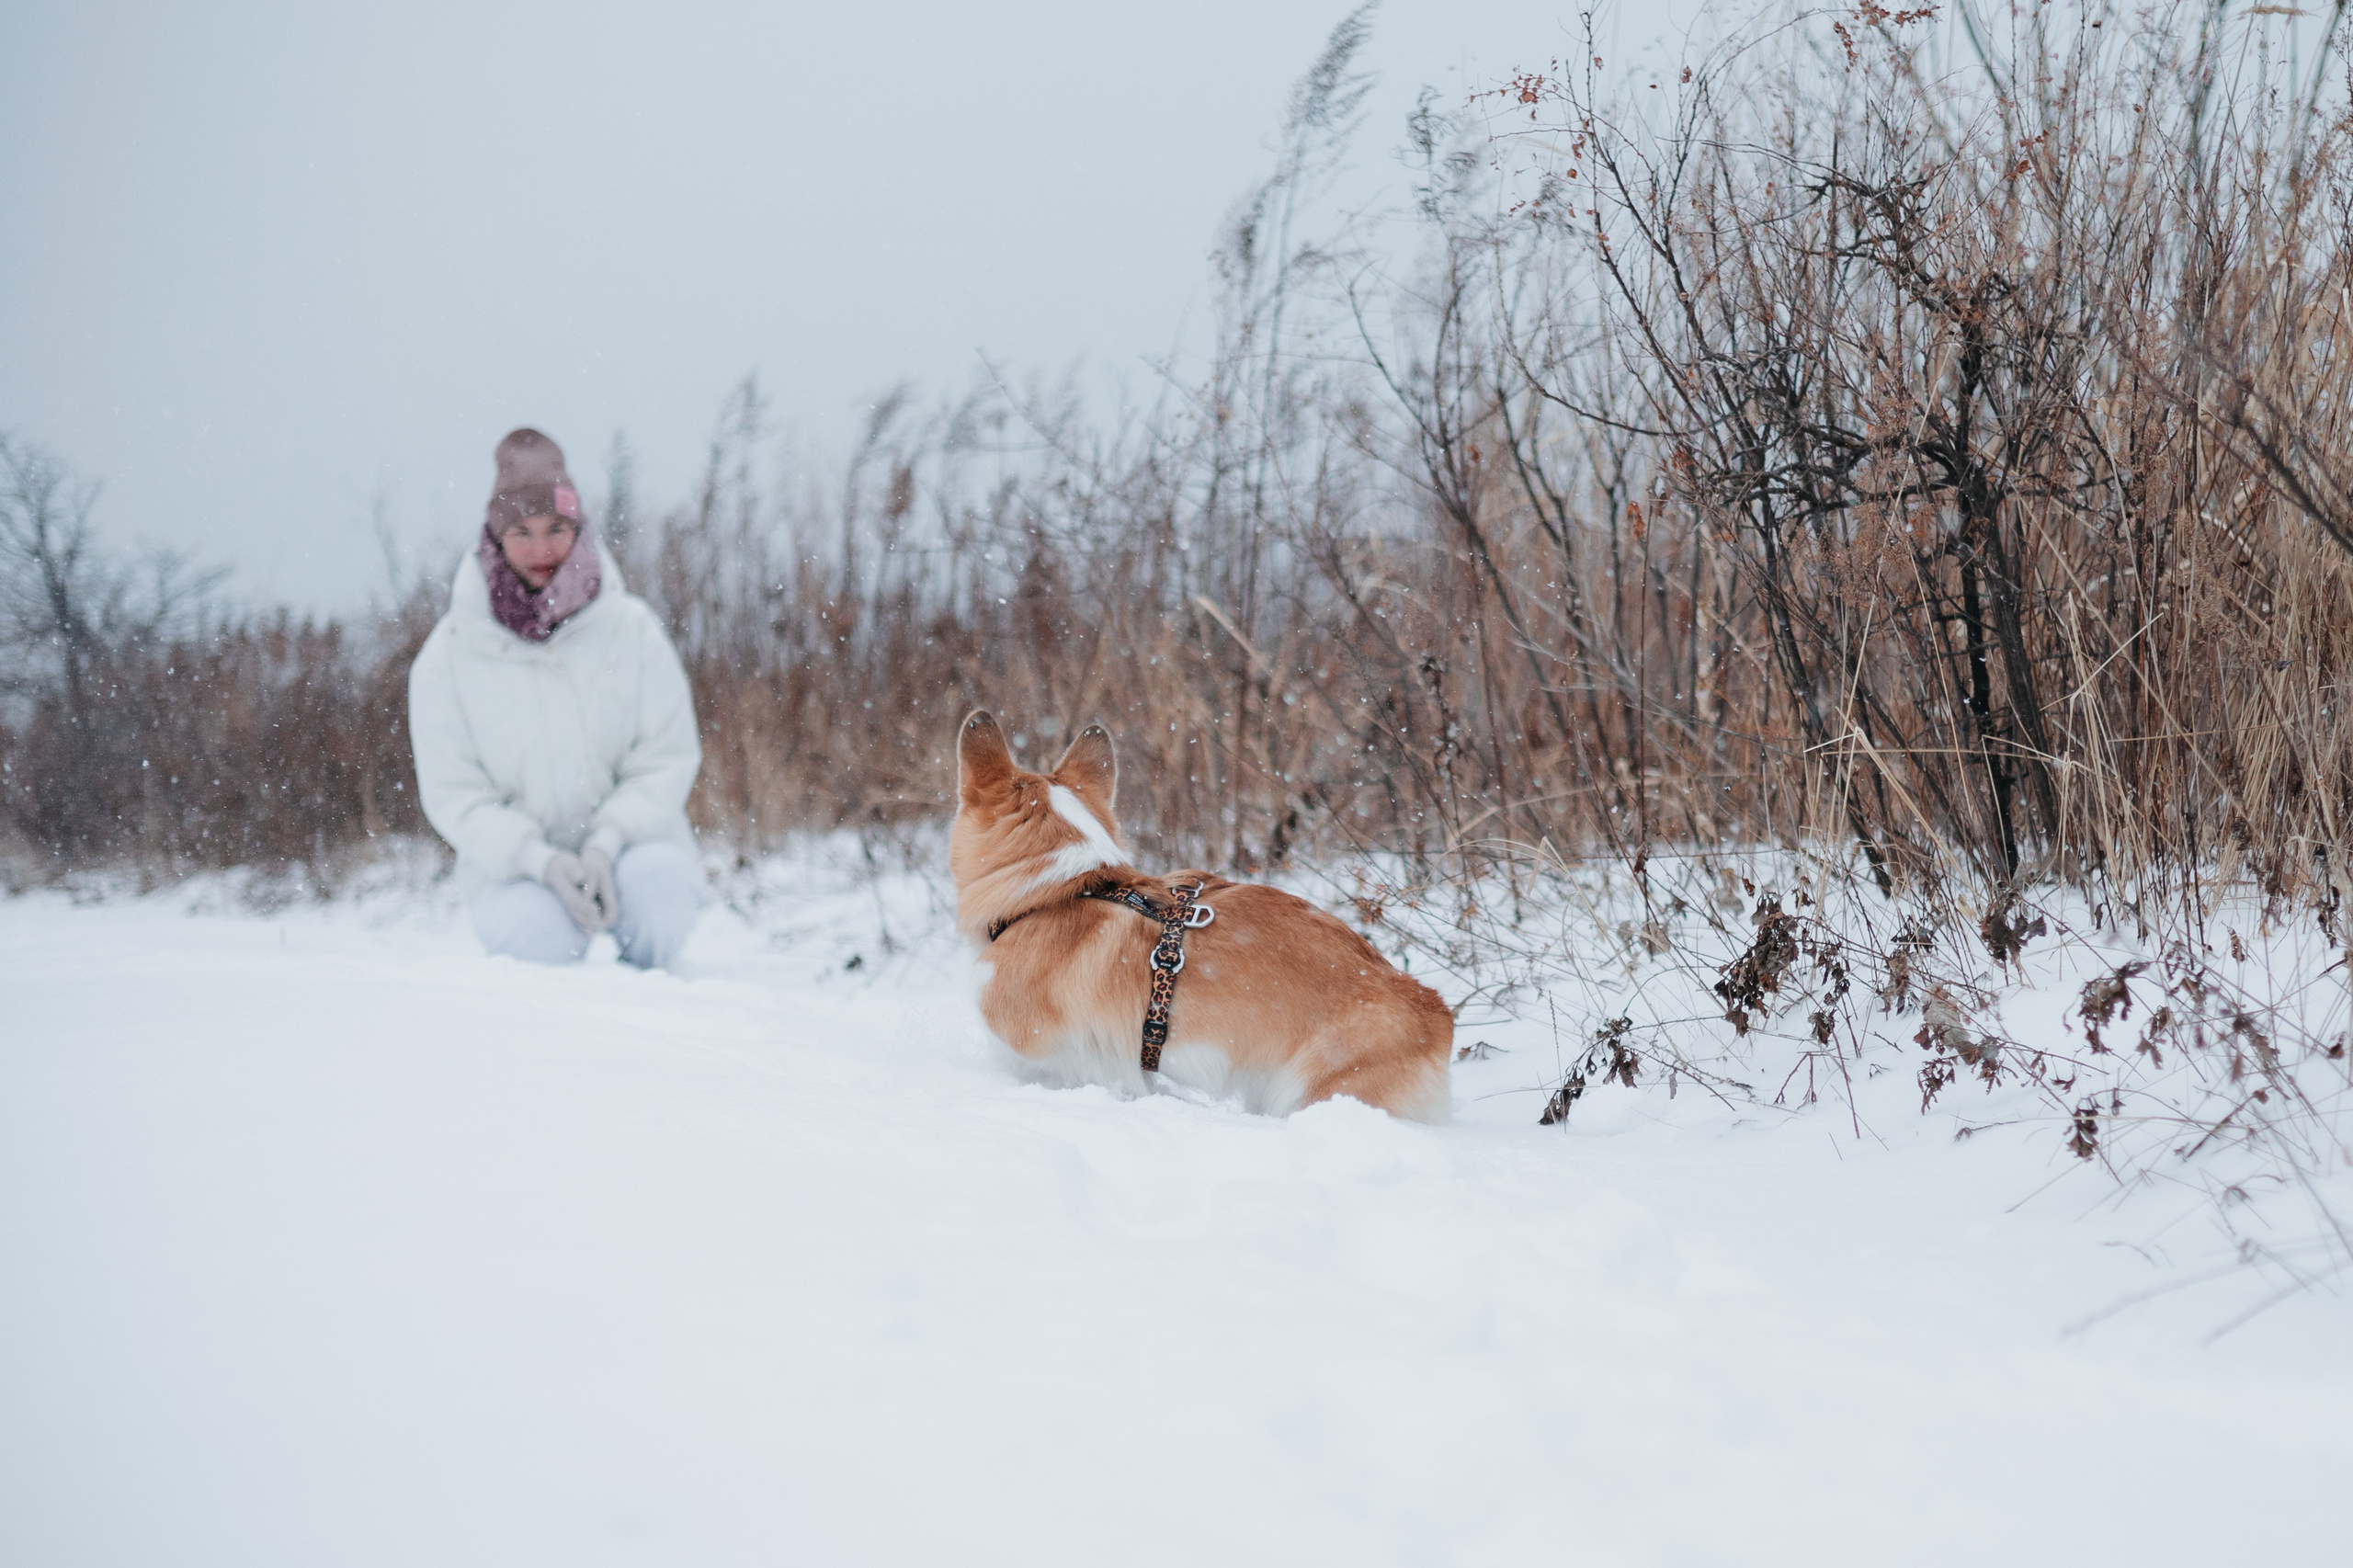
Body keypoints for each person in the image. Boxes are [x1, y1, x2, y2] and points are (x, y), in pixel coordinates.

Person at [408, 427, 704, 967]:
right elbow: (456, 795)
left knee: (661, 893)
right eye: (521, 531)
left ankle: (664, 1015)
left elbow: (666, 756)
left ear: (579, 527)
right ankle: (556, 1045)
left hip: (632, 847)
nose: (541, 549)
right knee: (532, 938)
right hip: (516, 872)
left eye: (556, 528)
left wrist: (606, 843)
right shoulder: (448, 657)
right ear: (494, 539)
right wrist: (538, 861)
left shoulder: (631, 628)